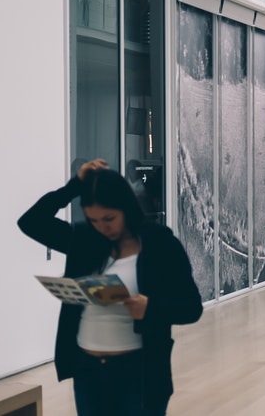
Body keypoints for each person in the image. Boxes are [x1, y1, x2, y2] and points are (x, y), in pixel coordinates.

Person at [18, 158, 203, 415]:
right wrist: (75, 186)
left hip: (139, 372)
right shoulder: (86, 240)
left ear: (126, 208)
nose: (102, 227)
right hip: (88, 371)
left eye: (109, 218)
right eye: (93, 220)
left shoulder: (160, 243)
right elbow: (31, 222)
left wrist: (151, 308)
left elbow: (192, 308)